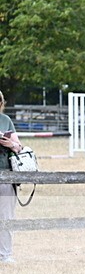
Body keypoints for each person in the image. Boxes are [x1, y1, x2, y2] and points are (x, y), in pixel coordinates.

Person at [0, 89, 24, 264]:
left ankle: (5, 254)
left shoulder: (5, 120)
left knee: (6, 215)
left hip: (5, 174)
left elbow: (19, 147)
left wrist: (10, 144)